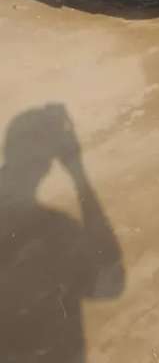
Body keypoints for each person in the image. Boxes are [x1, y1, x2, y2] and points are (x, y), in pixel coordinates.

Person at [0, 105, 125, 363]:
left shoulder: (57, 230)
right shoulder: (56, 231)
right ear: (48, 165)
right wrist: (78, 173)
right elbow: (110, 283)